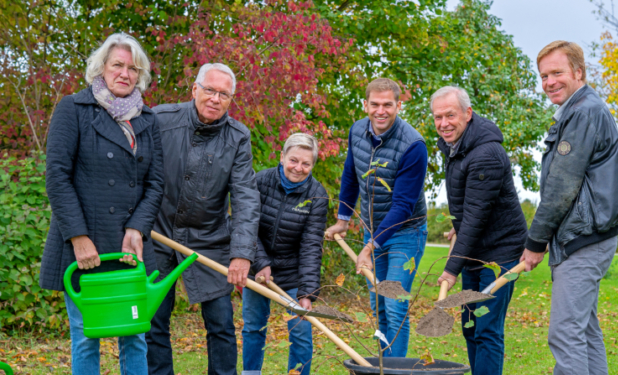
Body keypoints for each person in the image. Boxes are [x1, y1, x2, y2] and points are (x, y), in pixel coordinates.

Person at [41, 32, 164, 375]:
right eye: (118, 65)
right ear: (101, 69)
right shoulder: (73, 109)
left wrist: (137, 229)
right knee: (84, 336)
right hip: (85, 244)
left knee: (135, 335)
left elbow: (155, 183)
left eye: (133, 68)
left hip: (130, 247)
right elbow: (58, 177)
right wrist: (78, 238)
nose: (125, 73)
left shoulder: (148, 120)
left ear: (141, 76)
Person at [520, 41, 618, 375]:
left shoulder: (584, 112)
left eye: (557, 73)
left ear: (578, 73)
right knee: (584, 329)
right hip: (588, 235)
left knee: (565, 332)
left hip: (585, 238)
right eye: (543, 76)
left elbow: (561, 187)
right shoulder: (579, 109)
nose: (549, 82)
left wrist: (535, 242)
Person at [145, 63, 260, 375]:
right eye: (209, 90)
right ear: (194, 89)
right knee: (153, 320)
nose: (215, 98)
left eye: (224, 94)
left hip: (208, 238)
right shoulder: (159, 119)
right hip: (158, 233)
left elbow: (246, 197)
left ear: (230, 100)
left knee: (221, 321)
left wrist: (241, 254)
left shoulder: (238, 137)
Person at [324, 78, 428, 357]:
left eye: (388, 105)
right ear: (365, 104)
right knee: (378, 305)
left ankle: (396, 370)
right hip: (374, 228)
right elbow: (351, 174)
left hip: (406, 232)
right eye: (375, 104)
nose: (380, 111)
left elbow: (403, 205)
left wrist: (369, 247)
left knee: (394, 304)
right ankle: (385, 364)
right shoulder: (357, 130)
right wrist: (343, 219)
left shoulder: (413, 145)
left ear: (399, 105)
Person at [431, 86, 528, 375]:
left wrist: (450, 270)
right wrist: (455, 227)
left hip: (500, 254)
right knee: (470, 326)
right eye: (438, 117)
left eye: (450, 115)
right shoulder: (454, 145)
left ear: (468, 113)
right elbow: (466, 204)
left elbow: (476, 216)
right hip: (474, 251)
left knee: (486, 329)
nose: (444, 123)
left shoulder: (486, 153)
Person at [241, 133, 328, 375]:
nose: (298, 168)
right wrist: (260, 263)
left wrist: (307, 292)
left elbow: (311, 245)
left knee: (300, 330)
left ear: (312, 165)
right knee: (253, 327)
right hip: (257, 266)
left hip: (294, 272)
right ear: (282, 157)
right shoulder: (260, 181)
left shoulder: (317, 195)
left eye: (306, 164)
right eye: (293, 160)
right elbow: (246, 226)